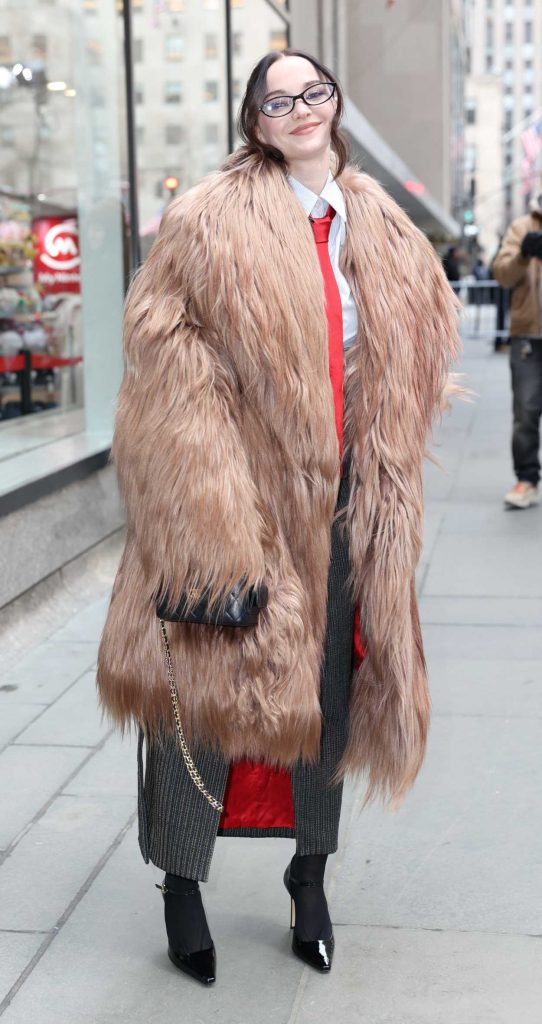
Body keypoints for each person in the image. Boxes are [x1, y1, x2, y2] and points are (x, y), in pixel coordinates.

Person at [96, 49, 460, 985]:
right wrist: (212, 523)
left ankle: (311, 882)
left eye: (315, 92)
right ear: (254, 120)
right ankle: (181, 885)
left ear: (334, 104)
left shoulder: (379, 225)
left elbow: (412, 365)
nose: (300, 109)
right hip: (231, 507)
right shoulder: (206, 222)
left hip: (344, 512)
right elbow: (166, 378)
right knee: (201, 704)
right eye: (277, 98)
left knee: (329, 706)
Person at [492, 192, 542, 509]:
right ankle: (527, 479)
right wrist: (524, 253)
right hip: (528, 337)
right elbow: (502, 274)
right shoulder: (522, 227)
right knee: (525, 412)